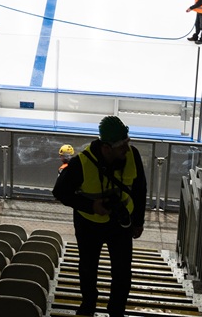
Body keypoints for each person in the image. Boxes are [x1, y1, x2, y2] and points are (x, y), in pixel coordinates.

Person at [52, 116, 146, 317]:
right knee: (88, 268)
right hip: (89, 224)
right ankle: (88, 304)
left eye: (127, 142)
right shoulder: (81, 163)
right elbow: (60, 192)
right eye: (121, 146)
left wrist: (138, 221)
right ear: (106, 148)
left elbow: (140, 188)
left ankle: (116, 310)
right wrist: (91, 206)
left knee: (122, 271)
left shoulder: (132, 155)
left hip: (121, 222)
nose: (127, 149)